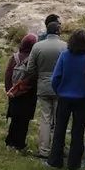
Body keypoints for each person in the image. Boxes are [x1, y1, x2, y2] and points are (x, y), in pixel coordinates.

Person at [46, 29, 85, 170]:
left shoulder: (65, 55)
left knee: (60, 129)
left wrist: (59, 91)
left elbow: (55, 77)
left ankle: (55, 160)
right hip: (83, 98)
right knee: (78, 131)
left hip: (65, 97)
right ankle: (74, 163)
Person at [25, 19, 67, 158]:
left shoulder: (37, 47)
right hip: (59, 87)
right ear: (58, 31)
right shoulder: (65, 46)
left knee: (45, 119)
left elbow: (30, 68)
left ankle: (44, 150)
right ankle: (57, 148)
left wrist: (39, 77)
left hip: (42, 86)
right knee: (58, 119)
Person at [4, 34, 38, 152]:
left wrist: (10, 90)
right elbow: (33, 76)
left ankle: (10, 141)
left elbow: (8, 74)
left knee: (14, 118)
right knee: (24, 120)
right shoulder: (33, 58)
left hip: (13, 92)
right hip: (27, 93)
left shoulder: (14, 57)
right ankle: (20, 144)